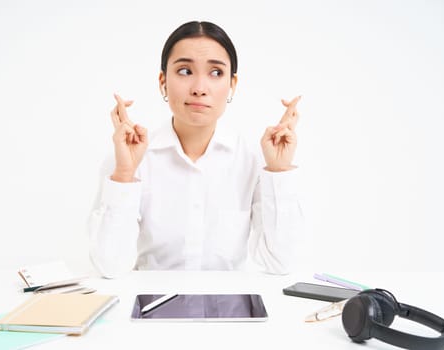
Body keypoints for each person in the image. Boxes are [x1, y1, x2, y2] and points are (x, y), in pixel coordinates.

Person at [88, 20, 303, 278]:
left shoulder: (252, 159)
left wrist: (278, 171)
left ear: (232, 84)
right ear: (163, 82)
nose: (200, 88)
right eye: (185, 71)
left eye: (215, 73)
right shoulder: (130, 158)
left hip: (229, 311)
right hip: (150, 308)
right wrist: (124, 173)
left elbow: (281, 263)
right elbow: (110, 267)